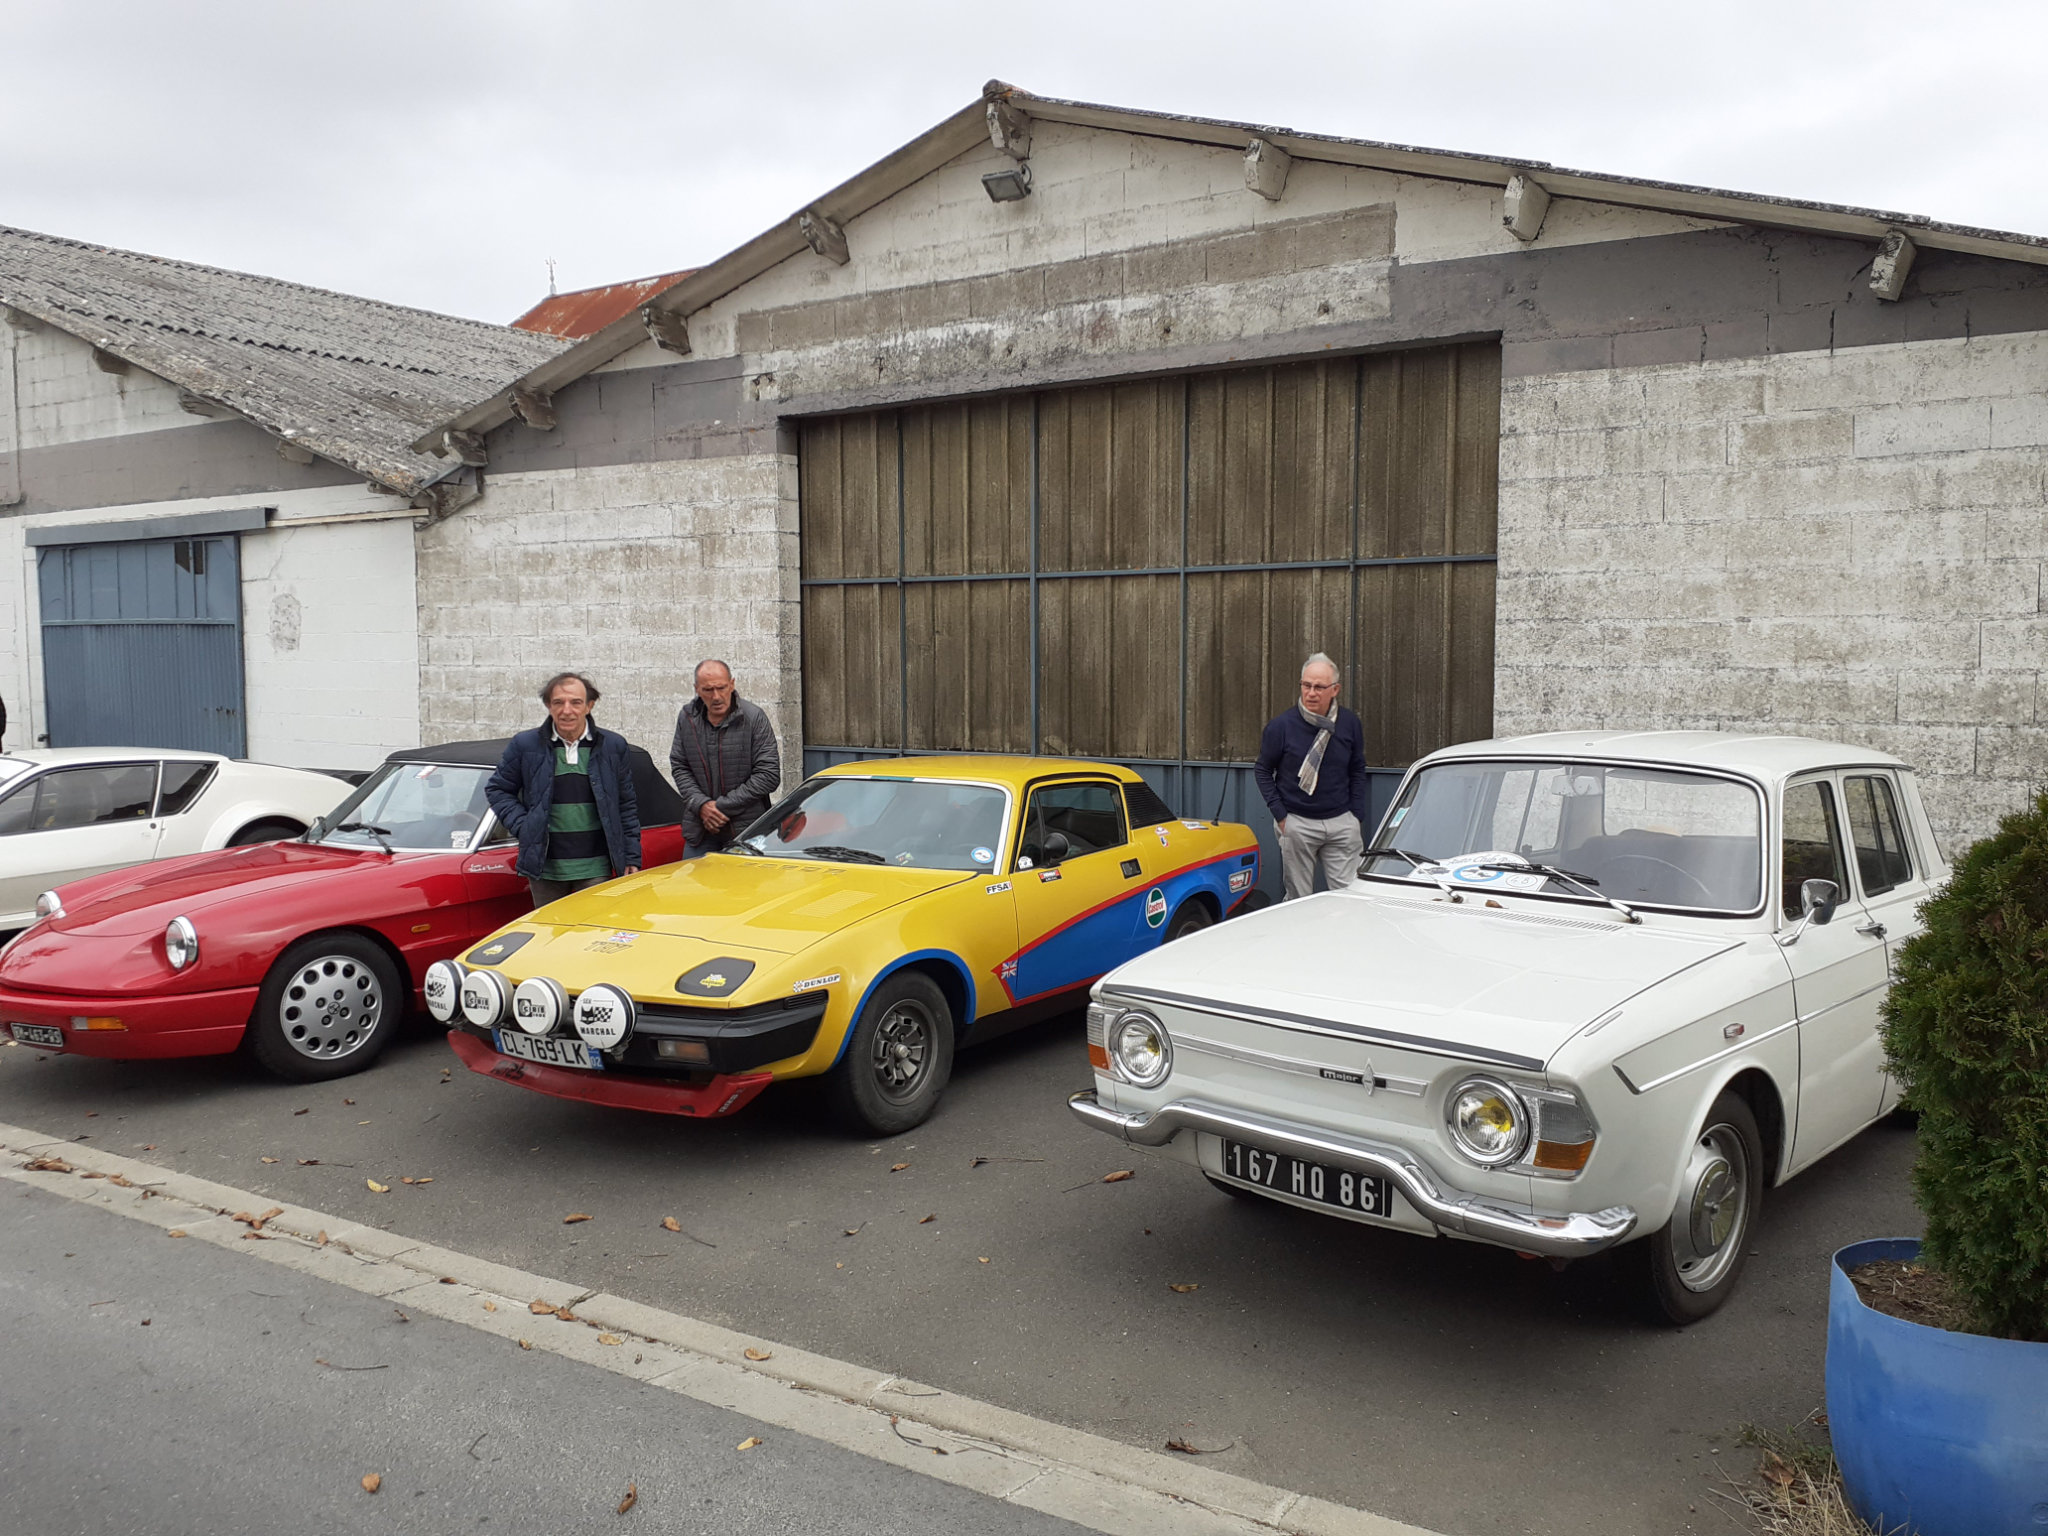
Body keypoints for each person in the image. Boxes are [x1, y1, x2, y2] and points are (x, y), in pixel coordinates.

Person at [486, 672, 641, 907]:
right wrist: (524, 826)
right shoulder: (525, 745)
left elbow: (626, 804)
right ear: (549, 706)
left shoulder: (612, 746)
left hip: (596, 867)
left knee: (590, 934)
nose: (566, 710)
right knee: (552, 935)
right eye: (558, 702)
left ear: (589, 705)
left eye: (576, 702)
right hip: (545, 869)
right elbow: (498, 789)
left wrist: (631, 856)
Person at [1253, 652, 1370, 901]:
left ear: (1335, 689)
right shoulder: (1281, 726)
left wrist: (1356, 815)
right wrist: (1282, 817)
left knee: (1351, 898)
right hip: (1297, 823)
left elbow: (1357, 768)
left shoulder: (1349, 724)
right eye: (1306, 685)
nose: (1311, 693)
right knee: (1299, 900)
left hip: (1341, 822)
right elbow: (1263, 770)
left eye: (1319, 687)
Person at [669, 659, 780, 858]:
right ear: (697, 689)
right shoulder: (687, 718)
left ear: (732, 684)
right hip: (700, 830)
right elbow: (680, 766)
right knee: (692, 887)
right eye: (708, 690)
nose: (716, 696)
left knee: (743, 889)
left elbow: (768, 775)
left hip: (747, 833)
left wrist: (720, 807)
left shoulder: (753, 718)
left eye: (721, 688)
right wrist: (701, 805)